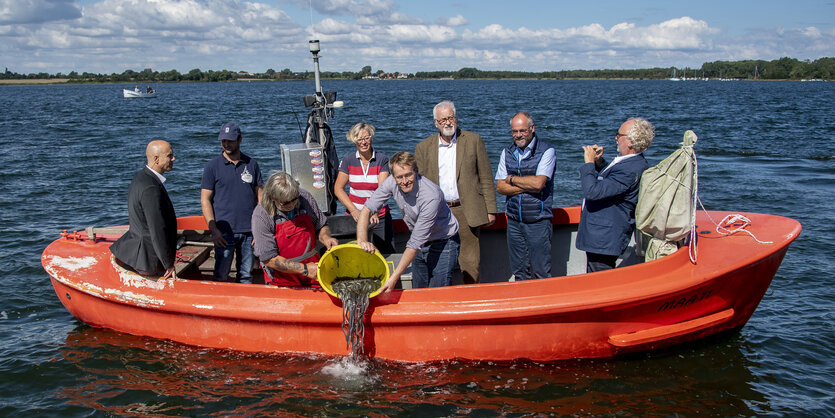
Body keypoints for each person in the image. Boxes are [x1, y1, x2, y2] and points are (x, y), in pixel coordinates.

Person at [414, 100, 497, 284]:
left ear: (456, 119)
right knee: (441, 264)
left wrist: (491, 209)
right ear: (436, 123)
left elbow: (486, 177)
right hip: (438, 212)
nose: (447, 122)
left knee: (470, 263)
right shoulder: (423, 147)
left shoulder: (473, 140)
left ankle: (471, 302)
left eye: (451, 117)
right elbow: (417, 186)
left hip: (467, 211)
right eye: (443, 119)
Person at [357, 152, 459, 292]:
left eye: (408, 175)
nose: (404, 181)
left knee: (438, 293)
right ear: (393, 177)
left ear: (416, 172)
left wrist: (393, 279)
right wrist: (362, 241)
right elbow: (367, 209)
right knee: (418, 292)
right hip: (420, 244)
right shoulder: (391, 182)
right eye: (399, 177)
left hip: (444, 243)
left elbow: (415, 243)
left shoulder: (431, 196)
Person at [576, 118, 655, 273]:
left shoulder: (631, 168)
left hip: (605, 238)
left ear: (631, 141)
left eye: (619, 135)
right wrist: (599, 163)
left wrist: (589, 164)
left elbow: (593, 191)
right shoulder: (630, 163)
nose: (616, 138)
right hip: (603, 235)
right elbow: (613, 183)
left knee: (599, 280)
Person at [495, 112, 557, 280]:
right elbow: (500, 187)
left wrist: (512, 179)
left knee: (541, 272)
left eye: (522, 131)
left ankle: (544, 305)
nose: (518, 135)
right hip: (514, 221)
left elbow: (539, 184)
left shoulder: (547, 151)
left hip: (538, 220)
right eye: (514, 131)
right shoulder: (507, 152)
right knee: (520, 272)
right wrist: (527, 186)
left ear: (532, 128)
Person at [201, 122, 263, 283]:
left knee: (246, 275)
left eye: (230, 140)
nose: (226, 144)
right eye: (223, 141)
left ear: (240, 139)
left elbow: (261, 198)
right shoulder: (212, 167)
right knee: (221, 274)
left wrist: (259, 228)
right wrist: (213, 229)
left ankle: (244, 304)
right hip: (223, 232)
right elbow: (205, 199)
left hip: (249, 231)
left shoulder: (252, 164)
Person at [251, 171, 338, 287]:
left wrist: (326, 237)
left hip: (313, 269)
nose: (292, 205)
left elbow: (321, 225)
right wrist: (304, 269)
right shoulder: (261, 215)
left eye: (294, 199)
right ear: (272, 198)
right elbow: (268, 258)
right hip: (282, 278)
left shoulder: (304, 197)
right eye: (286, 203)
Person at [110, 140, 178, 279]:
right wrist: (168, 264)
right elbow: (156, 228)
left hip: (139, 250)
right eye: (169, 156)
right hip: (147, 259)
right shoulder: (151, 188)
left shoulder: (141, 177)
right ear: (156, 159)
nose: (173, 159)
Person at [333, 122, 395, 254]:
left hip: (379, 216)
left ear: (371, 138)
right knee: (357, 253)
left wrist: (375, 211)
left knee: (385, 253)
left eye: (366, 138)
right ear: (354, 141)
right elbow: (338, 189)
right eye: (359, 139)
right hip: (354, 216)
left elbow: (383, 190)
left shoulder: (382, 159)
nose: (363, 142)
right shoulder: (348, 160)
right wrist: (354, 211)